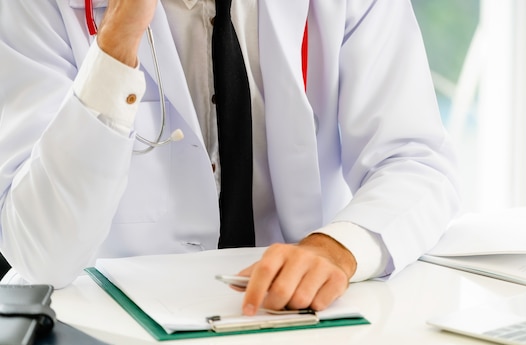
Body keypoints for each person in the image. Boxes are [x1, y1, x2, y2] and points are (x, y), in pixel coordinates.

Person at [0, 1, 460, 316]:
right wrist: (118, 39)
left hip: (293, 324)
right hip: (111, 332)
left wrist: (337, 248)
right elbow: (41, 253)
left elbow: (413, 159)